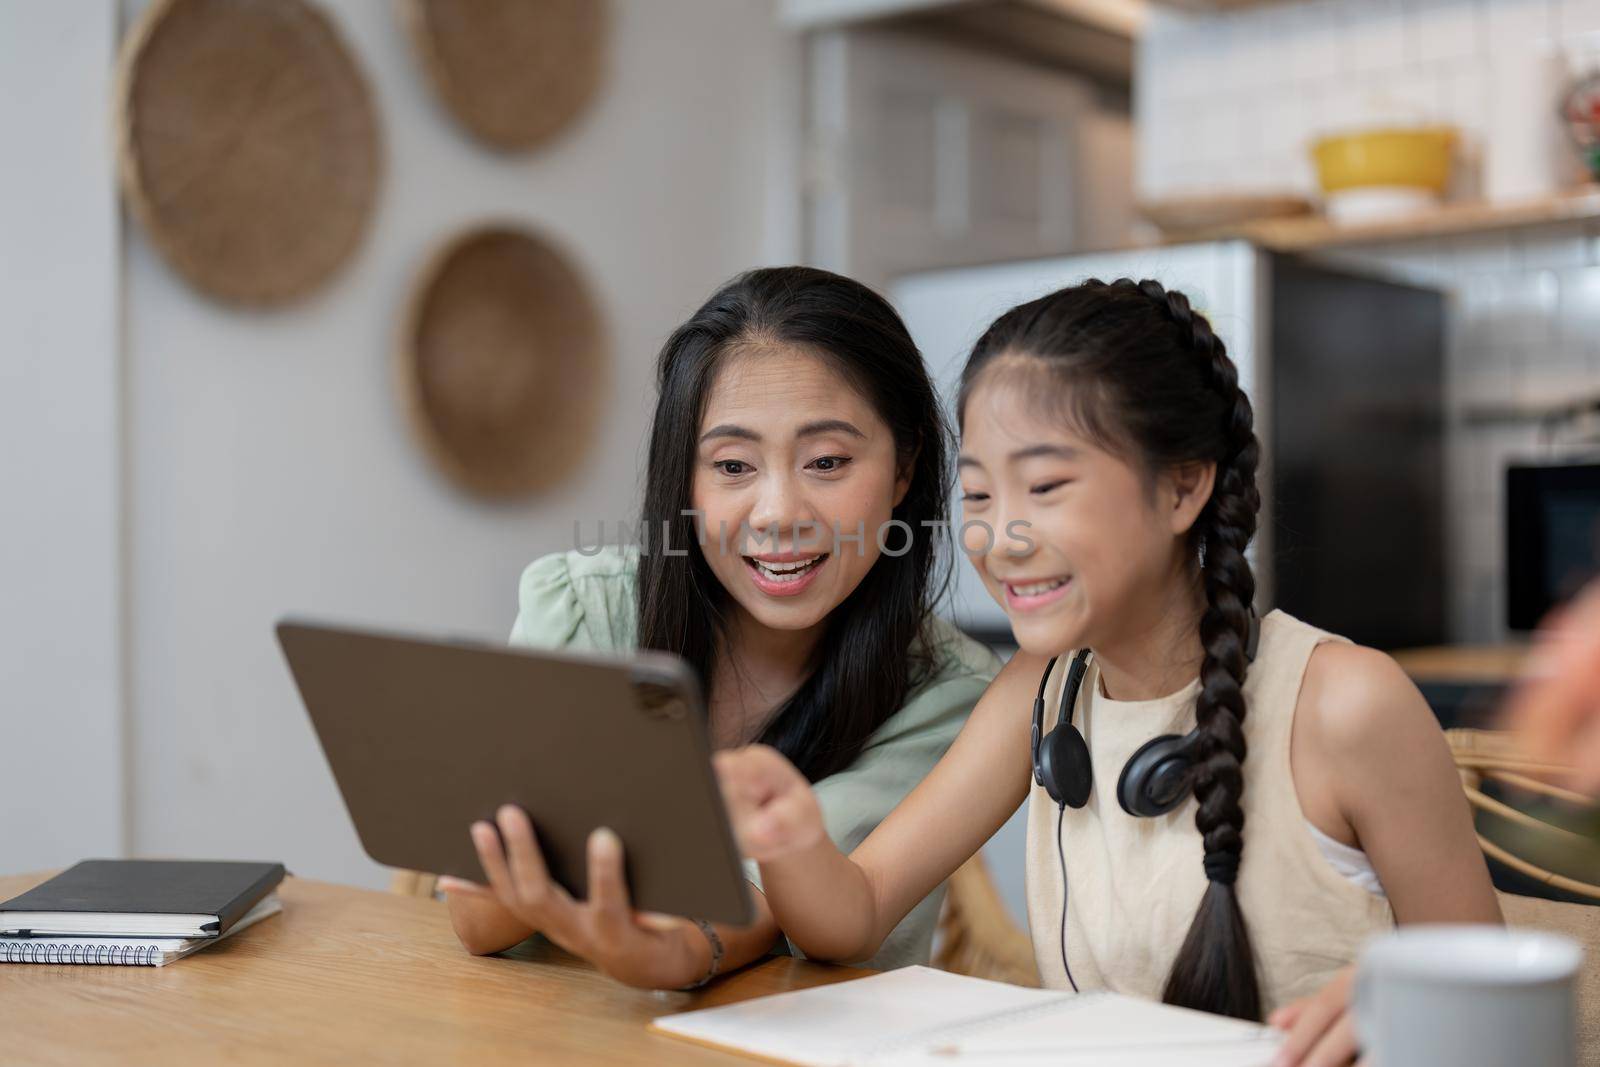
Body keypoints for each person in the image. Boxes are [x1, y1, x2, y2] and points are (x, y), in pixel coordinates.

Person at [716, 278, 1502, 1060]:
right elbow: (855, 912)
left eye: (1047, 485)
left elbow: (1504, 1018)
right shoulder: (1041, 688)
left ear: (1183, 484)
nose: (1000, 536)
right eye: (980, 495)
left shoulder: (1346, 704)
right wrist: (789, 837)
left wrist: (1400, 1006)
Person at [438, 266, 999, 991]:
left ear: (903, 468)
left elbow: (762, 909)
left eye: (827, 461)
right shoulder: (587, 606)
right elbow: (477, 918)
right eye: (732, 465)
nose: (777, 512)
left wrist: (612, 889)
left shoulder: (948, 695)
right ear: (685, 481)